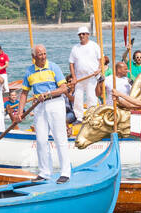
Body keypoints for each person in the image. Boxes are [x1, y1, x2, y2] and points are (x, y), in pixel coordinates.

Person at [18, 44, 75, 183]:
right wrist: (20, 112)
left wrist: (48, 93)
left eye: (44, 54)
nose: (43, 57)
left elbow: (63, 88)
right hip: (39, 107)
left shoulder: (53, 67)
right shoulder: (29, 72)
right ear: (34, 57)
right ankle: (44, 172)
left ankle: (65, 173)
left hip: (55, 103)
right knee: (41, 140)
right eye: (40, 54)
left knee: (60, 138)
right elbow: (24, 93)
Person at [69, 26, 103, 117]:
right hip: (79, 78)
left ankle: (91, 116)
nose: (81, 36)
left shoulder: (94, 46)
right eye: (80, 34)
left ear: (88, 35)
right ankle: (79, 117)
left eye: (83, 34)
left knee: (91, 97)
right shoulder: (75, 48)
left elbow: (101, 60)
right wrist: (74, 77)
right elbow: (71, 63)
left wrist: (99, 69)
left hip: (91, 77)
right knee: (78, 99)